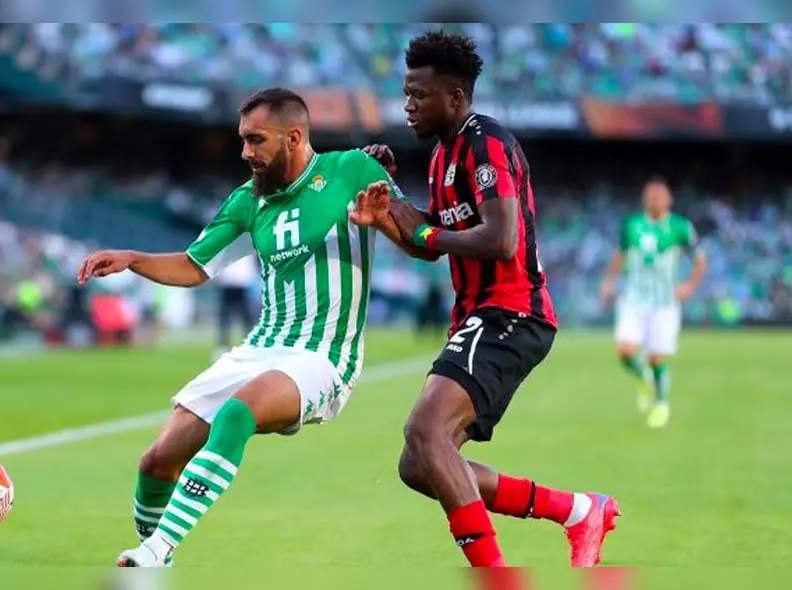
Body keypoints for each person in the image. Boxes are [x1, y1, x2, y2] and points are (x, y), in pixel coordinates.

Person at [77, 87, 405, 568]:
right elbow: (194, 266)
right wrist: (133, 259)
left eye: (255, 140)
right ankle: (152, 564)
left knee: (236, 414)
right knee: (156, 463)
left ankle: (157, 549)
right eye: (243, 140)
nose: (245, 152)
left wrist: (386, 203)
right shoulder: (248, 200)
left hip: (323, 355)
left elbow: (418, 229)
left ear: (293, 137)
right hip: (260, 348)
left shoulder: (350, 170)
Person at [349, 31, 619, 568]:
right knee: (419, 462)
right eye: (405, 94)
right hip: (480, 317)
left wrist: (423, 234)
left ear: (454, 97)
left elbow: (500, 240)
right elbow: (430, 243)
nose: (406, 106)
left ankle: (494, 574)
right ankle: (577, 510)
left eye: (417, 96)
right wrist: (387, 210)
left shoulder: (485, 143)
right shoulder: (443, 155)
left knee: (426, 433)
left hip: (511, 313)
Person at [600, 177, 706, 428]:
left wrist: (689, 285)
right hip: (633, 299)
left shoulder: (680, 227)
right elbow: (620, 254)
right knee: (625, 351)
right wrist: (608, 281)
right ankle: (643, 379)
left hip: (664, 302)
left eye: (659, 196)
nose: (654, 201)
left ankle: (661, 403)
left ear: (668, 200)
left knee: (657, 357)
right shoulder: (633, 225)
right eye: (650, 196)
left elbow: (700, 259)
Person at [214, 254, 257, 358]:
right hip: (228, 285)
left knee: (246, 318)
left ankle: (250, 343)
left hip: (242, 284)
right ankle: (223, 345)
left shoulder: (248, 249)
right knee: (225, 318)